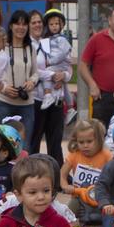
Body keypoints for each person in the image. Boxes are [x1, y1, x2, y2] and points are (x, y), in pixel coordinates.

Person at [61, 118, 114, 227]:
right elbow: (62, 173)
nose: (85, 146)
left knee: (113, 219)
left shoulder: (106, 155)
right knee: (65, 215)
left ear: (99, 139)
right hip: (79, 197)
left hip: (100, 198)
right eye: (81, 142)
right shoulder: (74, 156)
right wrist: (65, 185)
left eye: (89, 141)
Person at [32, 8, 76, 158]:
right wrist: (52, 75)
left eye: (39, 22)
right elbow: (35, 71)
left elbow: (68, 70)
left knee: (55, 142)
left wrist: (63, 76)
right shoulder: (30, 45)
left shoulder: (57, 41)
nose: (37, 25)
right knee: (34, 140)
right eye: (34, 23)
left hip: (57, 98)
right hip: (36, 99)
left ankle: (57, 175)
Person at [0, 10, 42, 135]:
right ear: (11, 26)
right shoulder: (1, 47)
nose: (21, 28)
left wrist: (32, 81)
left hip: (26, 103)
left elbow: (36, 72)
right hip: (4, 102)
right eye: (17, 24)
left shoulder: (30, 49)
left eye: (24, 24)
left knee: (25, 144)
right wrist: (3, 88)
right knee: (4, 142)